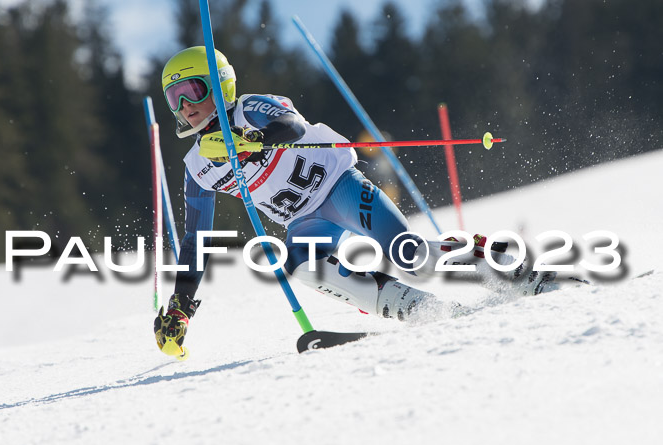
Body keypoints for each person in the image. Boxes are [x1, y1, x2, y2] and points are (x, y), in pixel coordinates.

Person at [153, 46, 555, 357]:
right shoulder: (197, 166)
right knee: (301, 266)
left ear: (220, 83)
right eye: (175, 99)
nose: (185, 107)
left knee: (412, 258)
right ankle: (415, 308)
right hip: (305, 221)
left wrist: (253, 141)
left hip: (339, 187)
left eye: (192, 91)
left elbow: (291, 126)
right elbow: (195, 241)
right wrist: (181, 306)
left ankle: (507, 266)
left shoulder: (250, 110)